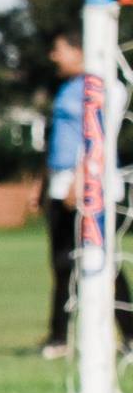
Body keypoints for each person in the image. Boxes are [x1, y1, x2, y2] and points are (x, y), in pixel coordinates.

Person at [39, 30, 132, 359]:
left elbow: (96, 136)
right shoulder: (67, 88)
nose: (54, 56)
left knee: (98, 260)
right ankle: (58, 336)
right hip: (62, 182)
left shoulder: (101, 88)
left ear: (81, 51)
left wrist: (82, 179)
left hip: (85, 184)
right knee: (64, 262)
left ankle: (127, 335)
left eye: (59, 49)